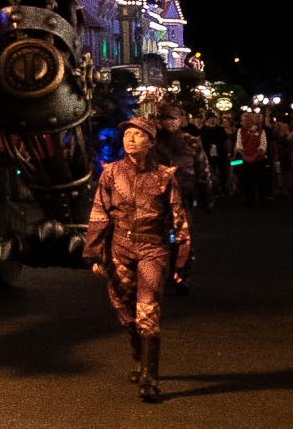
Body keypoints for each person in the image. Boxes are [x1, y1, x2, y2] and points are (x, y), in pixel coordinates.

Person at [85, 115, 190, 404]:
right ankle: (137, 355)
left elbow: (178, 219)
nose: (130, 139)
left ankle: (149, 377)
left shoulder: (164, 176)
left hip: (152, 250)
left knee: (148, 309)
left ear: (151, 142)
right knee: (123, 306)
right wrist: (94, 252)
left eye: (138, 134)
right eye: (127, 134)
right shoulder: (111, 173)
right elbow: (99, 214)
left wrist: (182, 259)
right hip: (119, 248)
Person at [233, 111, 271, 208]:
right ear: (242, 121)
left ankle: (262, 200)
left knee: (260, 181)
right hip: (245, 161)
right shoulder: (240, 131)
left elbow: (263, 146)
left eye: (249, 119)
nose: (247, 121)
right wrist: (245, 157)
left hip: (258, 160)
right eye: (245, 119)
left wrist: (253, 157)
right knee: (246, 182)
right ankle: (249, 201)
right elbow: (239, 146)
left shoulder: (261, 131)